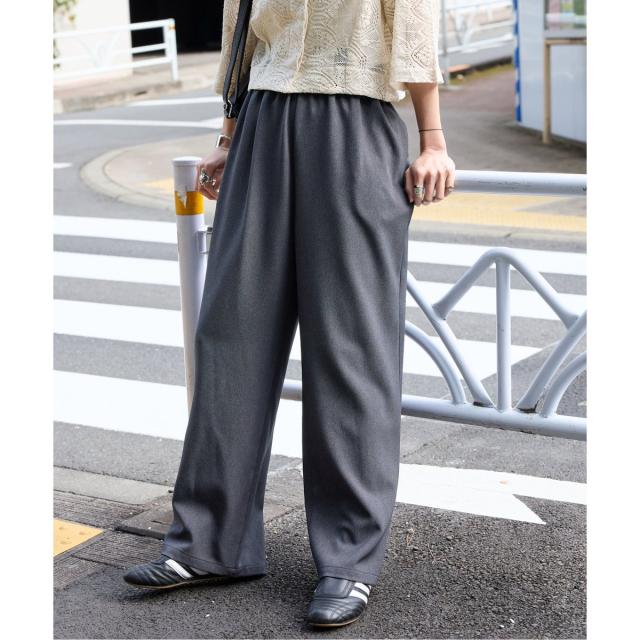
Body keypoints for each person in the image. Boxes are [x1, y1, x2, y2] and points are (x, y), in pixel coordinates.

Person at [123, 0, 455, 628]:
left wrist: (432, 140)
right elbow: (239, 36)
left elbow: (411, 21)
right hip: (262, 122)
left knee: (350, 345)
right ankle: (208, 543)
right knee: (232, 333)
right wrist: (229, 138)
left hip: (356, 119)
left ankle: (348, 559)